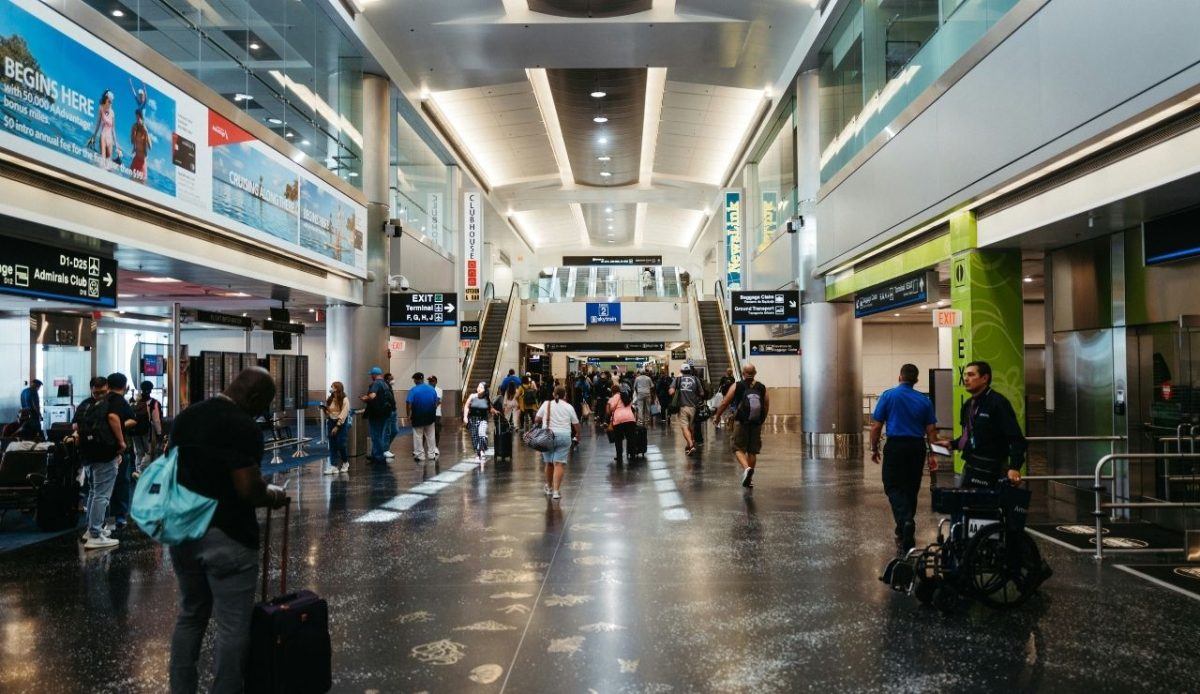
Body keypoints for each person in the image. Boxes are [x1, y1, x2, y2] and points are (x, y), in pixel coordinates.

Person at [167, 367, 290, 694]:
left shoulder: (186, 417)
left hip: (182, 531)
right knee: (232, 626)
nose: (261, 411)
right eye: (262, 404)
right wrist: (273, 496)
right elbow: (247, 489)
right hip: (227, 535)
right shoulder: (242, 426)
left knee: (191, 614)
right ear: (253, 398)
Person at [869, 363, 938, 554]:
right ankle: (903, 528)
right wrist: (934, 454)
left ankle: (906, 521)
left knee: (892, 485)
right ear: (916, 380)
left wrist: (874, 448)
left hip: (896, 446)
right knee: (911, 488)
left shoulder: (889, 395)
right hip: (917, 448)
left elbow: (876, 426)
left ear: (900, 377)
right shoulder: (924, 400)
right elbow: (931, 431)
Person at [941, 360, 1026, 489]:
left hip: (994, 468)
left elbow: (1016, 439)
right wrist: (952, 444)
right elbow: (969, 435)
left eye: (971, 375)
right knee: (963, 506)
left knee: (989, 507)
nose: (966, 379)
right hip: (971, 465)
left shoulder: (998, 403)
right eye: (965, 375)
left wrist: (1014, 467)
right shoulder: (968, 405)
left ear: (984, 378)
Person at [72, 376, 124, 549]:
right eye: (97, 392)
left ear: (107, 387)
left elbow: (75, 428)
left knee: (94, 493)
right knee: (101, 495)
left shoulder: (84, 405)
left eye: (102, 392)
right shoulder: (110, 404)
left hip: (88, 455)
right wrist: (121, 443)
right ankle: (95, 533)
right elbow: (114, 420)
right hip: (104, 455)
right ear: (91, 389)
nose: (100, 395)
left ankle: (90, 530)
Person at [714, 363, 770, 489]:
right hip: (756, 423)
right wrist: (761, 420)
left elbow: (724, 402)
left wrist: (717, 416)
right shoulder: (762, 387)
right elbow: (766, 405)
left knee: (737, 447)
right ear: (755, 373)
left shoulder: (737, 385)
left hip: (741, 421)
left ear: (743, 373)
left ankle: (746, 469)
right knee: (752, 451)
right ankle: (749, 479)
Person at [105, 373, 138, 530]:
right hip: (118, 449)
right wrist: (119, 433)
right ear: (125, 386)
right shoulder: (120, 402)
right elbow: (129, 420)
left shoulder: (100, 401)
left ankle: (102, 522)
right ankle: (118, 519)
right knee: (121, 483)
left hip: (100, 450)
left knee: (101, 488)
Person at [535, 385, 580, 500]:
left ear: (553, 394)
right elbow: (576, 424)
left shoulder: (546, 404)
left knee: (549, 463)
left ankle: (549, 488)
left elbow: (537, 419)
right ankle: (556, 491)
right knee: (559, 463)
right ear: (565, 395)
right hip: (564, 436)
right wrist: (578, 435)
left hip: (547, 436)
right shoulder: (569, 407)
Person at [669, 363, 708, 455]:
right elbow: (702, 394)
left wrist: (677, 392)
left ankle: (691, 445)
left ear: (681, 371)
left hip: (682, 407)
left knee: (684, 427)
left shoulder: (678, 379)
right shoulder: (695, 379)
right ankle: (688, 445)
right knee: (691, 428)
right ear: (690, 370)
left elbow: (671, 392)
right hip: (694, 407)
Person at [359, 367, 393, 464]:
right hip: (384, 413)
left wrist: (365, 398)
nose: (371, 377)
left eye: (371, 375)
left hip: (376, 413)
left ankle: (378, 456)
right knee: (380, 434)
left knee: (376, 435)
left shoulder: (376, 383)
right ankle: (375, 454)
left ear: (374, 375)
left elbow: (373, 395)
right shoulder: (385, 384)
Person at [131, 380, 164, 472]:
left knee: (138, 452)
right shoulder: (154, 403)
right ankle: (143, 471)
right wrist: (159, 433)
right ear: (151, 390)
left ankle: (138, 471)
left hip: (135, 430)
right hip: (147, 430)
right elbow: (156, 420)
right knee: (149, 452)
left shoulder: (135, 402)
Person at [407, 372, 440, 462]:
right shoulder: (432, 389)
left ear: (416, 380)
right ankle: (431, 454)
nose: (414, 381)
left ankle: (420, 455)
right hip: (430, 416)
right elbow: (435, 402)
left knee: (418, 436)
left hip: (417, 416)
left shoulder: (413, 390)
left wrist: (408, 414)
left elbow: (409, 403)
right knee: (431, 435)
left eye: (414, 379)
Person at [322, 381, 350, 475]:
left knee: (341, 444)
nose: (331, 388)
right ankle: (333, 466)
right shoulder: (330, 399)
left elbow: (344, 413)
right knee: (332, 444)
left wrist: (337, 426)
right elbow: (330, 413)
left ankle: (345, 462)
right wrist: (325, 410)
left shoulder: (344, 400)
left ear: (337, 388)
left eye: (333, 387)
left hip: (340, 423)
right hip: (331, 421)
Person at [463, 382, 494, 464]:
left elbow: (490, 408)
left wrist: (495, 411)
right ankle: (478, 453)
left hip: (483, 419)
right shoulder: (472, 396)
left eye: (481, 387)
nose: (479, 388)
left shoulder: (486, 398)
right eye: (478, 387)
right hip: (472, 419)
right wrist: (465, 417)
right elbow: (466, 406)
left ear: (485, 390)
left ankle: (481, 450)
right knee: (474, 437)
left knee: (482, 434)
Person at [606, 382, 637, 464]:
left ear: (612, 391)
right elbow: (631, 407)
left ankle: (619, 456)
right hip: (630, 418)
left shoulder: (612, 399)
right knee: (631, 438)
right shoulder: (625, 396)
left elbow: (608, 412)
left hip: (618, 420)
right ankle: (633, 455)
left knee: (618, 439)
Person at [87, 89, 117, 170]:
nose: (110, 103)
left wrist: (117, 146)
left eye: (111, 102)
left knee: (109, 165)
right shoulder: (101, 108)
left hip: (110, 139)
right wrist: (94, 136)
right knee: (102, 163)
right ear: (106, 99)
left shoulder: (112, 112)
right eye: (109, 101)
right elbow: (98, 123)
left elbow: (113, 129)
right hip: (103, 136)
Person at [381, 373, 399, 459]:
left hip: (393, 410)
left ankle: (385, 447)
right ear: (387, 379)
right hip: (388, 412)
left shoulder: (389, 387)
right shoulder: (385, 387)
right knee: (387, 431)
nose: (393, 380)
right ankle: (385, 450)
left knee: (395, 430)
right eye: (391, 378)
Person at [428, 375, 444, 445]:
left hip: (436, 414)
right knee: (426, 431)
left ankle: (436, 447)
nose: (430, 383)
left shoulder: (439, 390)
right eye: (429, 381)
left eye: (432, 381)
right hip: (427, 413)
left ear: (436, 382)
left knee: (436, 431)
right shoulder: (427, 389)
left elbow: (437, 401)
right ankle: (421, 448)